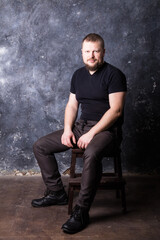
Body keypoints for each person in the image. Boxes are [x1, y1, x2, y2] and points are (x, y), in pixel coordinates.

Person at [31, 33, 127, 234]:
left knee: (91, 154)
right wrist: (68, 129)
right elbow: (72, 105)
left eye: (96, 51)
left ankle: (81, 210)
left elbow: (116, 110)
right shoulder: (78, 75)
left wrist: (92, 133)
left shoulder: (114, 74)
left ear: (103, 52)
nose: (91, 55)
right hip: (81, 126)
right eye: (87, 51)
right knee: (40, 146)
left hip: (106, 131)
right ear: (82, 53)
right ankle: (57, 192)